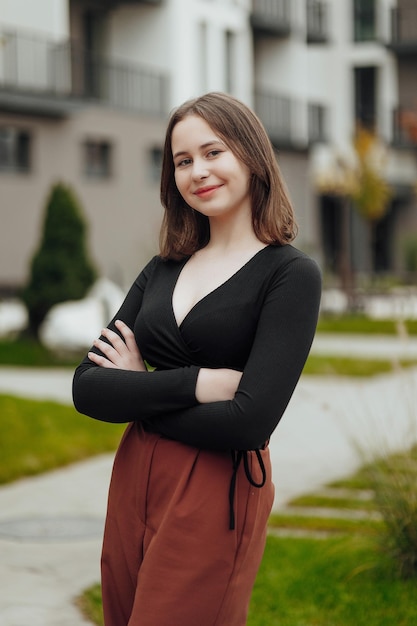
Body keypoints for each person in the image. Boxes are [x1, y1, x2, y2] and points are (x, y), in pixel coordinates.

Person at [72, 91, 321, 626]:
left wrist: (138, 389)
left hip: (217, 487)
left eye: (213, 153)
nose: (197, 171)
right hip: (135, 475)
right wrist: (200, 383)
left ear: (251, 156)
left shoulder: (289, 275)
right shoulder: (162, 268)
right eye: (182, 161)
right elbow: (87, 389)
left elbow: (249, 422)